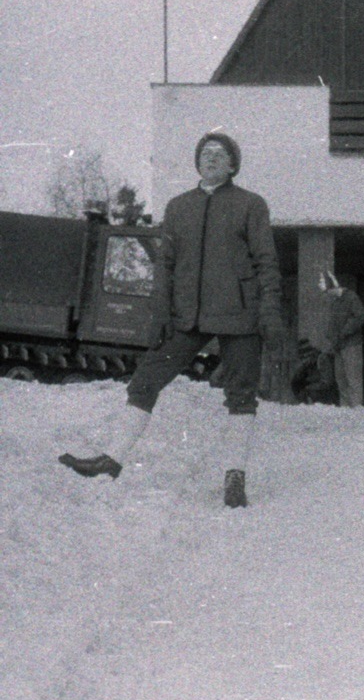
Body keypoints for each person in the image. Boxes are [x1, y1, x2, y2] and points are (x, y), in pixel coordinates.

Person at [59, 132, 285, 508]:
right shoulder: (179, 207)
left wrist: (271, 313)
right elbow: (164, 266)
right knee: (145, 380)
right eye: (205, 153)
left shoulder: (251, 205)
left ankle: (234, 477)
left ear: (233, 165)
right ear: (197, 163)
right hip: (187, 316)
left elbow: (266, 262)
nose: (211, 158)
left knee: (241, 396)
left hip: (240, 316)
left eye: (220, 154)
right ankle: (110, 459)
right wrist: (160, 314)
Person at [320, 270, 364, 407]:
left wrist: (345, 331)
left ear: (333, 287)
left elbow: (360, 316)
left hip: (351, 345)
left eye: (327, 291)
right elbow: (333, 324)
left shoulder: (351, 297)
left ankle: (356, 412)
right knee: (341, 381)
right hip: (339, 346)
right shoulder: (335, 302)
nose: (326, 294)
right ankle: (345, 412)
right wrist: (331, 337)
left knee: (353, 380)